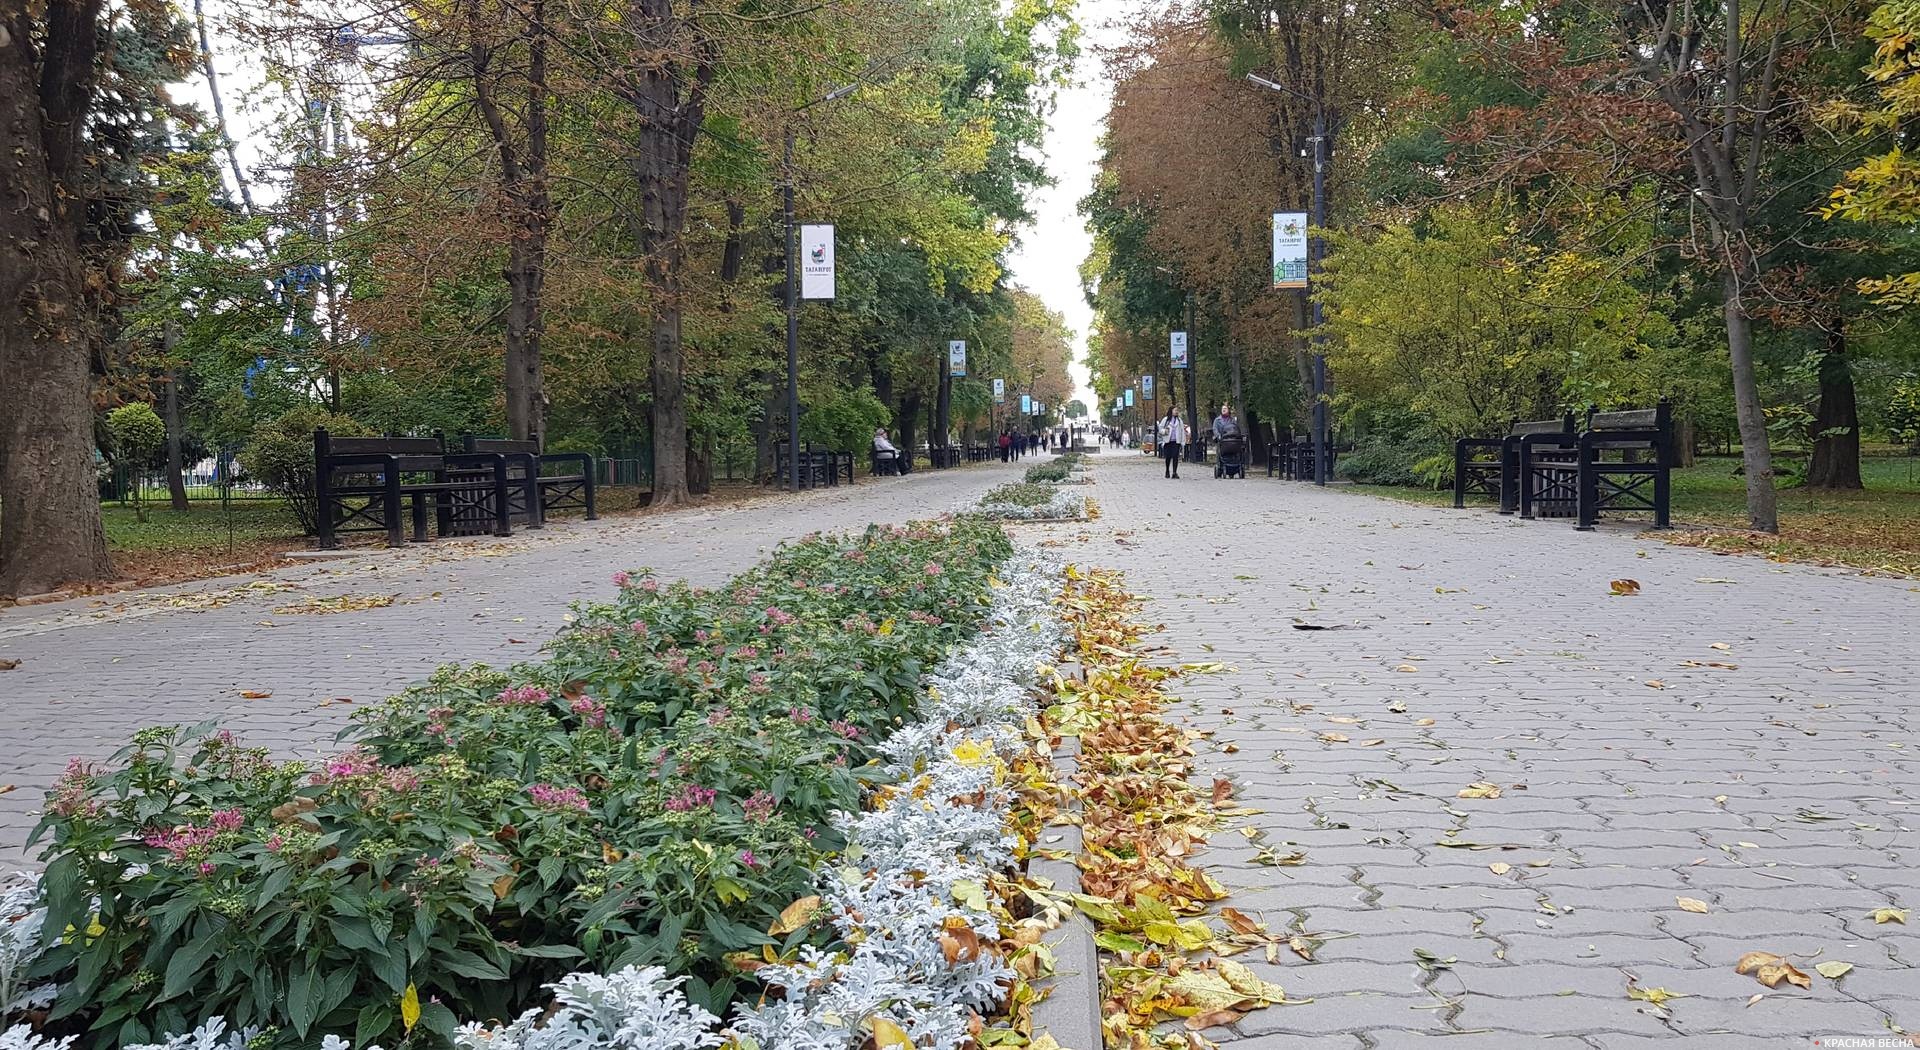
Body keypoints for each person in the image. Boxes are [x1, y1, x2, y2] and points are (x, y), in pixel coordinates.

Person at [1161, 407, 1187, 478]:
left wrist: (1183, 441)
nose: (1176, 412)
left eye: (1177, 410)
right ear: (1171, 411)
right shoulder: (1165, 420)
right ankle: (1167, 470)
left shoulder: (1179, 420)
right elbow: (1160, 429)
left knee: (1175, 457)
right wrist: (1164, 431)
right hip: (1167, 441)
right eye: (1175, 410)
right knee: (1168, 457)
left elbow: (1182, 431)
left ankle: (1174, 472)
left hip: (1176, 441)